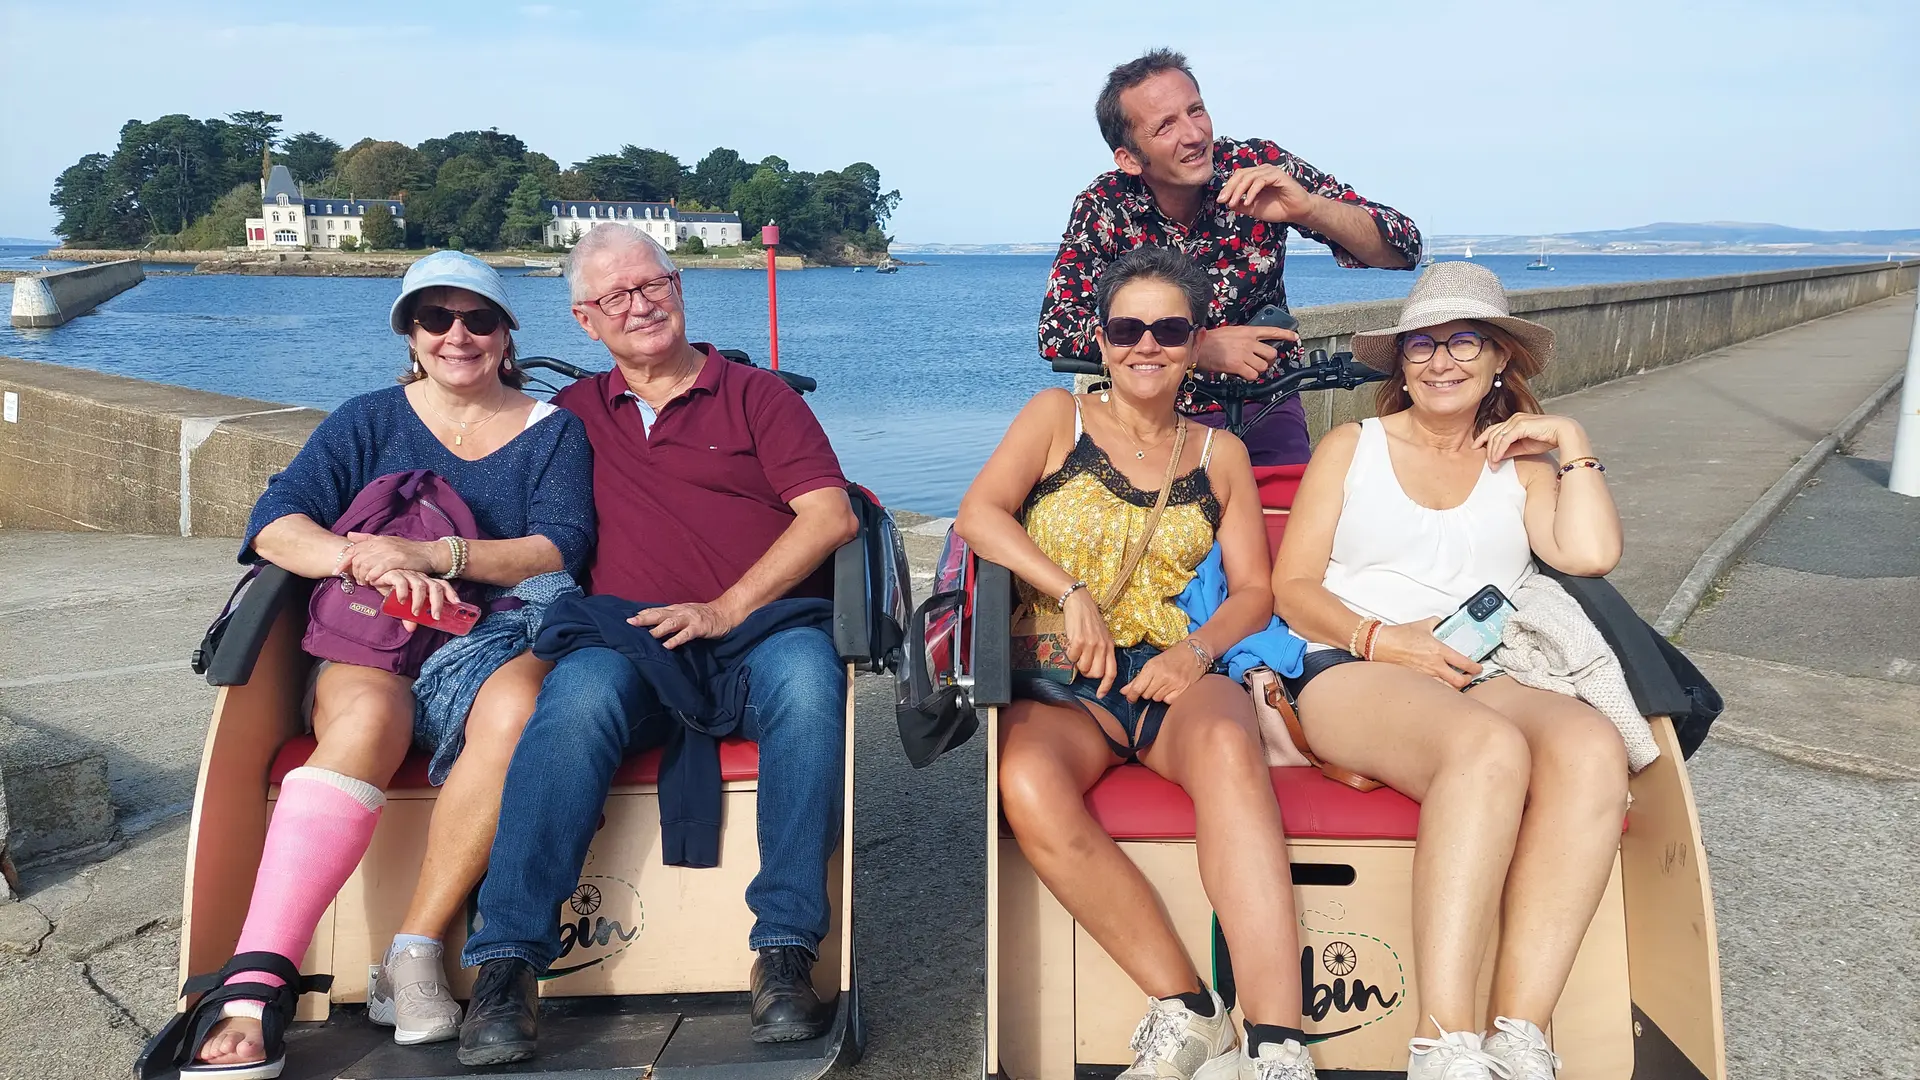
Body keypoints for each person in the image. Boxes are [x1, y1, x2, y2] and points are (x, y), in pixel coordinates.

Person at [177, 251, 595, 1076]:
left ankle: (411, 949)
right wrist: (362, 560)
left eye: (477, 318)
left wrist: (434, 553)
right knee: (369, 716)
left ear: (507, 332)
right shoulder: (366, 420)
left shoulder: (554, 431)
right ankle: (256, 981)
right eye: (434, 319)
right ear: (410, 333)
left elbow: (560, 546)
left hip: (490, 639)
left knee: (517, 714)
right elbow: (274, 526)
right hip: (374, 639)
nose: (457, 336)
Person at [455, 224, 860, 1066]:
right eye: (616, 296)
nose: (640, 305)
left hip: (763, 625)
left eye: (653, 285)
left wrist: (725, 607)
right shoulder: (568, 419)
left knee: (810, 686)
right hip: (629, 639)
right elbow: (485, 487)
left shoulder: (756, 397)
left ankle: (785, 952)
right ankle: (505, 965)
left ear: (679, 287)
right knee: (574, 700)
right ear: (584, 321)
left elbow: (831, 516)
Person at [960, 247, 1317, 1080]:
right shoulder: (1058, 417)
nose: (1145, 345)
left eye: (1168, 329)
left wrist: (1198, 654)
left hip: (1171, 670)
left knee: (1230, 752)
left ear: (1196, 343)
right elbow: (981, 514)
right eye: (1128, 328)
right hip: (1061, 679)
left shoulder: (1217, 452)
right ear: (1102, 337)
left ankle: (1276, 1039)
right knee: (1026, 784)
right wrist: (1068, 588)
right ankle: (1188, 1008)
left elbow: (1255, 592)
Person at [1270, 262, 1626, 1080]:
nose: (1442, 360)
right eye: (1422, 344)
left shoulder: (1524, 463)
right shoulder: (1350, 447)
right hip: (1350, 665)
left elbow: (1593, 554)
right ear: (1398, 364)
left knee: (1591, 748)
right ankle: (1446, 1043)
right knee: (1489, 750)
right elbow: (1293, 587)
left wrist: (1569, 440)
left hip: (1480, 663)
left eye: (1465, 340)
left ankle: (1521, 1033)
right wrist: (1379, 638)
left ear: (1501, 358)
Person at [1039, 48, 1423, 467]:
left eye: (1196, 111)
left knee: (1287, 521)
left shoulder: (1256, 166)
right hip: (1150, 416)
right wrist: (1195, 348)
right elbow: (1057, 331)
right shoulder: (1105, 204)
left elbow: (1403, 248)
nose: (1194, 134)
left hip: (1265, 405)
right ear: (1129, 158)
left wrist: (1309, 208)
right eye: (1166, 125)